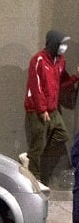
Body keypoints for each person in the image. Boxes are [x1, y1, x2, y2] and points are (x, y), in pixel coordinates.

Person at [24, 30, 78, 183]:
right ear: (53, 43)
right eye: (61, 44)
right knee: (38, 146)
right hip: (37, 110)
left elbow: (61, 84)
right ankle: (34, 179)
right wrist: (42, 110)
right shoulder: (38, 60)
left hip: (53, 109)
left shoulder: (60, 61)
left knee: (62, 135)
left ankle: (32, 156)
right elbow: (36, 86)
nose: (63, 47)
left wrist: (75, 78)